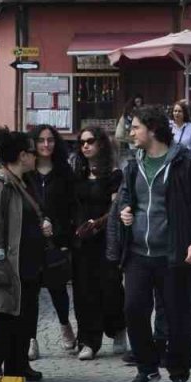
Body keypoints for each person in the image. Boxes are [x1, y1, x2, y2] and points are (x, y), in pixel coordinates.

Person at [112, 105, 191, 382]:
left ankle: (179, 374)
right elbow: (127, 199)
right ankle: (147, 368)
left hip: (173, 252)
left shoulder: (183, 163)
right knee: (133, 310)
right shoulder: (134, 164)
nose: (131, 133)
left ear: (152, 129)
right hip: (138, 253)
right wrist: (126, 211)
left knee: (176, 315)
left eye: (135, 128)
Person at [0, 128, 45, 382]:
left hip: (28, 262)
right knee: (5, 314)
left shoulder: (25, 183)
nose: (36, 157)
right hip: (9, 263)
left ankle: (18, 363)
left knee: (24, 315)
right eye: (32, 153)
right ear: (21, 156)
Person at [70, 127, 127, 360]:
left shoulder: (113, 174)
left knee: (110, 286)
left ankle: (118, 328)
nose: (85, 146)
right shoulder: (78, 174)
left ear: (101, 144)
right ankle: (88, 341)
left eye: (90, 141)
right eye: (82, 142)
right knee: (84, 289)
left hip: (105, 237)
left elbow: (115, 207)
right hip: (82, 240)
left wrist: (98, 224)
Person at [29, 125, 78, 358]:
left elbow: (70, 208)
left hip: (56, 239)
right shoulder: (27, 173)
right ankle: (31, 338)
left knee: (57, 287)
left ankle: (65, 325)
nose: (46, 145)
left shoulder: (64, 172)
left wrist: (62, 234)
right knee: (31, 291)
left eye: (50, 140)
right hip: (30, 238)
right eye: (41, 140)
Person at [115, 95, 143, 163]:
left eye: (140, 102)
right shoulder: (129, 114)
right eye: (137, 102)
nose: (139, 104)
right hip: (131, 141)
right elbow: (128, 127)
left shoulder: (140, 111)